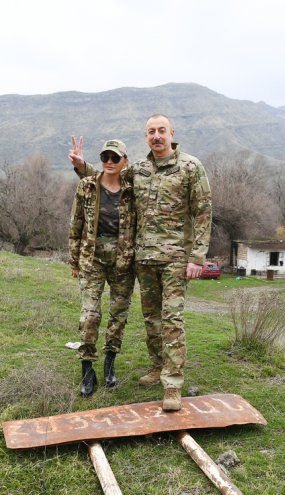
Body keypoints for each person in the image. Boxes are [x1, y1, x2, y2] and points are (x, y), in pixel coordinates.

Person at [69, 115, 211, 410]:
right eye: (151, 132)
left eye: (162, 131)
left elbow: (203, 211)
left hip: (174, 259)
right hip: (143, 259)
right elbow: (109, 176)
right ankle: (159, 367)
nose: (157, 136)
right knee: (152, 320)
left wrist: (197, 256)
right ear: (146, 137)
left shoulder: (190, 167)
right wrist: (82, 167)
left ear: (172, 133)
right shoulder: (139, 170)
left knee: (172, 320)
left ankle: (172, 385)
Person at [68, 139, 136, 397]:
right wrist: (74, 260)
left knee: (118, 315)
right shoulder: (87, 186)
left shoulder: (131, 189)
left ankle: (110, 364)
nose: (109, 161)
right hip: (92, 259)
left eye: (115, 158)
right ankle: (87, 369)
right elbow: (75, 225)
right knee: (90, 316)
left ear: (124, 162)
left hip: (122, 262)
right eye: (105, 157)